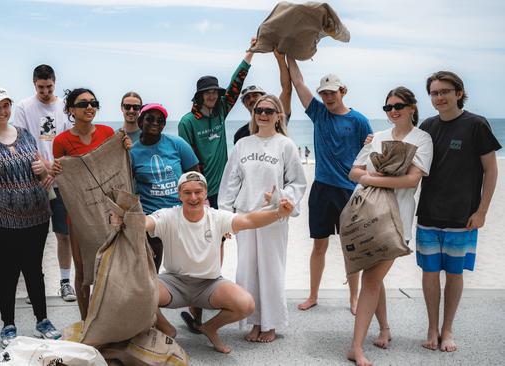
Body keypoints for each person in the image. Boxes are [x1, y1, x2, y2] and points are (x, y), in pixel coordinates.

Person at [111, 171, 295, 354]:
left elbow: (248, 219)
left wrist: (278, 212)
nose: (193, 197)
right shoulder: (167, 215)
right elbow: (147, 222)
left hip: (210, 285)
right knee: (136, 292)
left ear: (205, 193)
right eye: (187, 192)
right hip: (173, 283)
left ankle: (210, 327)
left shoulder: (217, 217)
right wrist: (126, 220)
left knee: (246, 304)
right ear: (179, 195)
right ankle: (167, 329)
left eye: (198, 192)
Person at [0, 87, 61, 348]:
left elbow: (43, 175)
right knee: (8, 271)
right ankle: (8, 325)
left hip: (38, 215)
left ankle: (42, 320)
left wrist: (43, 170)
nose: (2, 111)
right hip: (3, 222)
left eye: (6, 105)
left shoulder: (25, 135)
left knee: (34, 270)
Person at [347, 87, 433, 366]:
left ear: (412, 107)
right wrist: (374, 176)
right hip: (367, 215)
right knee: (374, 277)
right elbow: (353, 172)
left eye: (399, 105)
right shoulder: (378, 138)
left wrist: (371, 177)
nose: (393, 111)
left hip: (397, 220)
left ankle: (356, 347)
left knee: (370, 279)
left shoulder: (422, 139)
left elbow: (411, 181)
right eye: (388, 107)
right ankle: (383, 328)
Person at [416, 71, 500, 352]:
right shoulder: (427, 126)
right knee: (429, 273)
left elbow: (491, 170)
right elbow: (408, 155)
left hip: (462, 216)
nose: (439, 98)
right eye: (434, 93)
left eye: (444, 92)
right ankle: (431, 327)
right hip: (428, 213)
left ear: (459, 93)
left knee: (454, 274)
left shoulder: (476, 125)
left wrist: (482, 211)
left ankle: (447, 329)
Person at [287, 58, 373, 314]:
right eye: (323, 93)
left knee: (352, 248)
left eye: (331, 92)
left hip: (349, 191)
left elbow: (368, 158)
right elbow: (298, 83)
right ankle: (313, 295)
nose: (327, 97)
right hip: (322, 189)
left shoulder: (359, 121)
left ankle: (354, 298)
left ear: (342, 91)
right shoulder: (319, 114)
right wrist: (289, 54)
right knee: (319, 245)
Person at [219, 94, 306, 343]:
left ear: (278, 115)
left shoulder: (285, 145)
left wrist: (281, 197)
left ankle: (271, 324)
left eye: (269, 110)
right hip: (245, 217)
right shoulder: (243, 144)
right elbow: (230, 183)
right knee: (247, 270)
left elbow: (297, 182)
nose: (263, 115)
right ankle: (254, 320)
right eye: (259, 110)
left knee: (271, 270)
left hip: (272, 216)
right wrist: (226, 218)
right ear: (254, 114)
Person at [52, 88, 118, 320]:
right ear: (70, 110)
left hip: (108, 212)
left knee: (110, 268)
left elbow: (115, 167)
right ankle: (86, 321)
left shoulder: (108, 132)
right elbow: (63, 178)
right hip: (80, 214)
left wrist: (125, 147)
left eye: (93, 102)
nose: (89, 107)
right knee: (82, 271)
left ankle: (108, 319)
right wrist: (55, 169)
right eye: (82, 104)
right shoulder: (61, 141)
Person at [12, 64, 76, 302]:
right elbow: (22, 142)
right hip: (35, 181)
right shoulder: (24, 107)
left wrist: (55, 169)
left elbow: (70, 143)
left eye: (49, 87)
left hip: (62, 180)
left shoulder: (64, 107)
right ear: (33, 84)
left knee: (63, 234)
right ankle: (34, 285)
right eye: (41, 87)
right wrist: (44, 171)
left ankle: (65, 282)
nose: (45, 92)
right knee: (34, 236)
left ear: (55, 82)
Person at [178, 37, 256, 208]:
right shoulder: (187, 122)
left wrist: (250, 53)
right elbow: (188, 159)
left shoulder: (221, 110)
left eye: (215, 92)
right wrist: (199, 190)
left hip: (226, 188)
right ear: (200, 96)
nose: (212, 96)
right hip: (203, 191)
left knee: (223, 233)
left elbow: (236, 83)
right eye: (207, 93)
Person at [130, 103, 199, 272]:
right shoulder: (131, 152)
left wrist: (198, 206)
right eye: (150, 119)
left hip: (179, 213)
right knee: (151, 270)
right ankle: (153, 298)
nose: (155, 123)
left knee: (185, 267)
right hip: (151, 218)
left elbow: (195, 177)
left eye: (160, 120)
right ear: (140, 122)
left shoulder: (177, 143)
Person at [233, 50, 293, 145]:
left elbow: (287, 90)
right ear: (244, 104)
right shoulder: (240, 135)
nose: (251, 99)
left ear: (264, 97)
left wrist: (280, 59)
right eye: (247, 98)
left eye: (255, 95)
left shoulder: (277, 120)